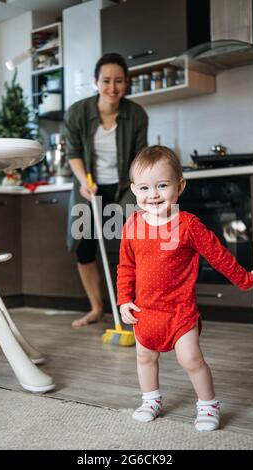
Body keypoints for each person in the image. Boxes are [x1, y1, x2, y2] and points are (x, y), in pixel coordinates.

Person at [117, 145, 253, 431]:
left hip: (180, 311)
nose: (153, 194)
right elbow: (125, 267)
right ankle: (151, 400)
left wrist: (244, 279)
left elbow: (218, 255)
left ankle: (207, 405)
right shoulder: (132, 225)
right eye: (144, 188)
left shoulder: (188, 225)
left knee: (191, 358)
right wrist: (123, 300)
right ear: (134, 190)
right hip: (146, 311)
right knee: (144, 356)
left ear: (179, 186)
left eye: (162, 185)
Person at [64, 53, 148, 328]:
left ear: (127, 83)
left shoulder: (136, 115)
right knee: (84, 245)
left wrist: (141, 189)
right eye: (107, 81)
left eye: (119, 81)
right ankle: (97, 308)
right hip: (89, 184)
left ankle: (138, 308)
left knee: (138, 242)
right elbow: (74, 152)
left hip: (126, 186)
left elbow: (139, 157)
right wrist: (83, 181)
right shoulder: (77, 113)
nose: (113, 88)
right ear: (96, 82)